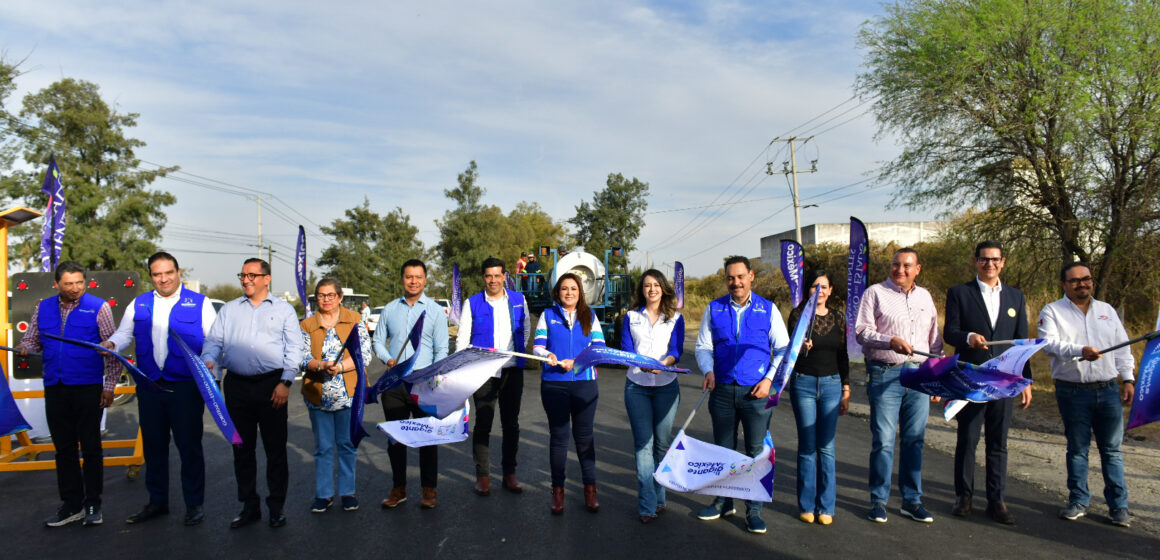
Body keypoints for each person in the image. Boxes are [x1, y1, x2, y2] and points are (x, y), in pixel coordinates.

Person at [103, 252, 216, 526]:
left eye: (168, 273)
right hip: (150, 386)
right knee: (154, 447)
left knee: (189, 447)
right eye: (157, 274)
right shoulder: (138, 304)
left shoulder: (200, 303)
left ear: (178, 272)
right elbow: (123, 334)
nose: (163, 279)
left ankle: (193, 504)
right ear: (151, 276)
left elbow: (214, 339)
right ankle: (157, 502)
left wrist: (211, 361)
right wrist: (111, 344)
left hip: (185, 388)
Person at [201, 258, 304, 529]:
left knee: (275, 450)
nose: (246, 280)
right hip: (237, 387)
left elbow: (294, 349)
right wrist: (209, 360)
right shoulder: (229, 310)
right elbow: (213, 342)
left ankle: (276, 508)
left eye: (252, 275)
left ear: (266, 279)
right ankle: (249, 506)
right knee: (241, 450)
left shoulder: (283, 310)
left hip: (273, 386)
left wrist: (286, 382)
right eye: (243, 275)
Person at [20, 261, 123, 527]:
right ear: (57, 284)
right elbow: (32, 339)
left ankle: (93, 505)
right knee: (63, 449)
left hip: (88, 387)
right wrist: (24, 346)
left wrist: (110, 386)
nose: (76, 288)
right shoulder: (43, 308)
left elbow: (112, 350)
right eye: (69, 283)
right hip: (55, 386)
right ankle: (71, 505)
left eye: (80, 282)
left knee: (90, 448)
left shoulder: (99, 307)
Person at [694, 256, 790, 535]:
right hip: (722, 389)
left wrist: (769, 379)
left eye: (740, 277)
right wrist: (708, 370)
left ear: (751, 277)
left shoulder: (768, 309)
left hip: (756, 392)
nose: (735, 282)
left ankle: (754, 510)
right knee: (723, 450)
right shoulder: (714, 309)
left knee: (754, 452)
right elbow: (703, 346)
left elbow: (783, 350)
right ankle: (724, 501)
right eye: (730, 278)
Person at [1038, 262, 1135, 528]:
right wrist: (1081, 350)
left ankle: (1118, 507)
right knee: (1078, 449)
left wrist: (1128, 379)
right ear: (1064, 284)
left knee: (1112, 451)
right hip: (1072, 392)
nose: (1082, 284)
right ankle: (1078, 500)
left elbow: (1123, 347)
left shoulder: (1106, 311)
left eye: (1086, 279)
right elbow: (1049, 345)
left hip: (1108, 390)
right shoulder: (1052, 311)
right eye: (1075, 280)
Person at [943, 241, 1032, 525]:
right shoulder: (960, 293)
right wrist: (968, 337)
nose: (989, 264)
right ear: (975, 261)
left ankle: (997, 500)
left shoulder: (1016, 297)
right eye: (984, 259)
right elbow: (951, 332)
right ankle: (964, 496)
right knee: (967, 439)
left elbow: (1022, 343)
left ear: (1003, 262)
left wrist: (1025, 380)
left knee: (998, 443)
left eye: (995, 260)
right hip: (972, 378)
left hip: (1005, 381)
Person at [855, 247, 943, 524]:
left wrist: (936, 377)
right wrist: (889, 340)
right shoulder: (875, 293)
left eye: (907, 265)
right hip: (885, 373)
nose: (900, 270)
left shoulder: (926, 296)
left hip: (919, 375)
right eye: (896, 265)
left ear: (918, 269)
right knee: (883, 441)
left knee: (914, 440)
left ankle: (911, 501)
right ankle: (878, 501)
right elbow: (861, 332)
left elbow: (934, 340)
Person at [372, 259, 449, 510]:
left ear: (425, 279)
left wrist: (434, 376)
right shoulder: (390, 309)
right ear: (402, 279)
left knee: (427, 438)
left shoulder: (436, 311)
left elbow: (442, 349)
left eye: (418, 276)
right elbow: (378, 341)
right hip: (395, 382)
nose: (413, 281)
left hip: (424, 382)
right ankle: (399, 488)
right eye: (408, 276)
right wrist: (387, 358)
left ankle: (429, 490)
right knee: (396, 438)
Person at [455, 257, 531, 497]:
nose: (494, 280)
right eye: (489, 276)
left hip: (511, 370)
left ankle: (510, 474)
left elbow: (526, 328)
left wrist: (519, 353)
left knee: (511, 425)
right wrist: (460, 370)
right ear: (483, 278)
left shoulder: (519, 300)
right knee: (484, 423)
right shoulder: (472, 303)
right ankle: (483, 476)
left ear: (504, 276)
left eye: (498, 275)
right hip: (483, 372)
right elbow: (462, 340)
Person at [533, 272, 606, 515]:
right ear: (558, 292)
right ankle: (557, 491)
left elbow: (599, 348)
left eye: (573, 289)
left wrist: (576, 361)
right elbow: (538, 347)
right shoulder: (548, 315)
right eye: (564, 289)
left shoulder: (590, 316)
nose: (569, 293)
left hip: (585, 384)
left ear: (580, 292)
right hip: (554, 384)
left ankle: (590, 491)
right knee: (559, 438)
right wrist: (548, 356)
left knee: (585, 438)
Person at [299, 278, 372, 513]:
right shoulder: (307, 325)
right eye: (321, 295)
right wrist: (320, 365)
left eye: (331, 295)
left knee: (347, 445)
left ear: (340, 297)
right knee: (323, 447)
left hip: (348, 394)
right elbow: (301, 358)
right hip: (318, 394)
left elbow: (364, 355)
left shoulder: (354, 320)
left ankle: (348, 492)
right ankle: (323, 494)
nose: (326, 300)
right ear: (316, 298)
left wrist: (340, 367)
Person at [620, 269, 684, 524]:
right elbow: (626, 348)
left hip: (666, 385)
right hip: (637, 385)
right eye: (647, 285)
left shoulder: (675, 317)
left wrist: (665, 362)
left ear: (664, 288)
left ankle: (659, 497)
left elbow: (676, 349)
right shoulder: (631, 317)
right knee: (643, 446)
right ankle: (647, 505)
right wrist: (642, 363)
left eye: (656, 285)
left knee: (661, 445)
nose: (652, 289)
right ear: (642, 290)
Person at [787, 269, 849, 526]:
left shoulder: (839, 318)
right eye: (814, 286)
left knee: (827, 447)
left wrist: (846, 388)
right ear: (808, 290)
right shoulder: (797, 316)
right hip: (803, 383)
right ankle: (806, 505)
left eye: (824, 287)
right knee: (807, 446)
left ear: (831, 290)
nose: (819, 291)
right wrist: (800, 347)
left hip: (832, 385)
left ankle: (826, 506)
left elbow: (843, 355)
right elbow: (788, 351)